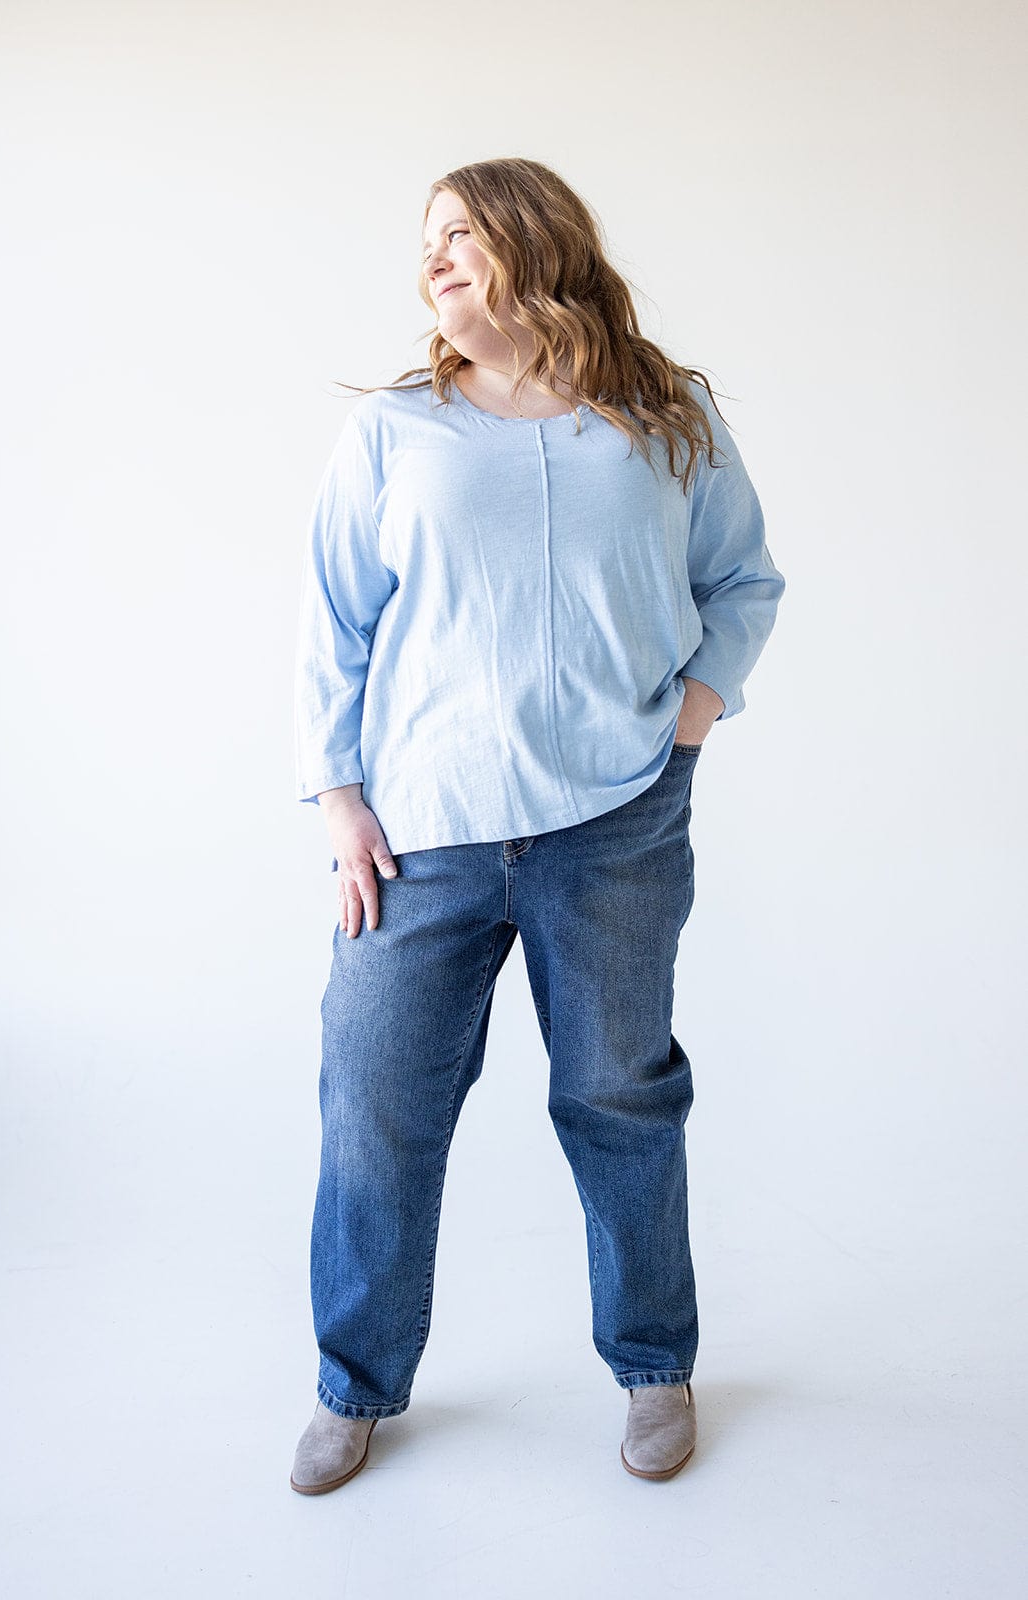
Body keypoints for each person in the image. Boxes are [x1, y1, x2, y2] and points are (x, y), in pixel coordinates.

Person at [290, 157, 787, 1494]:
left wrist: (689, 715)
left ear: (532, 243)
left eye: (460, 235)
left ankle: (652, 1363)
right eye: (427, 242)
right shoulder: (396, 429)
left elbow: (742, 577)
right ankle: (357, 1379)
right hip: (421, 831)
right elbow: (332, 623)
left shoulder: (660, 413)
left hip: (614, 823)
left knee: (619, 1094)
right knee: (378, 1102)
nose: (434, 262)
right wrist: (338, 796)